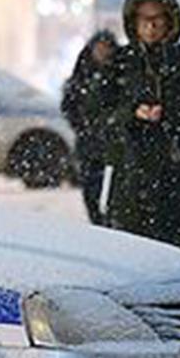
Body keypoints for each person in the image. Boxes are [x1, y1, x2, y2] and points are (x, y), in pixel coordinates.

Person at [99, 0, 180, 252]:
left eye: (158, 18)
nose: (151, 26)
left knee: (178, 260)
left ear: (171, 20)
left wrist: (171, 115)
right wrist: (131, 113)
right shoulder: (120, 63)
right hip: (130, 181)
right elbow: (98, 115)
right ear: (133, 22)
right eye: (144, 19)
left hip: (178, 178)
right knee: (130, 259)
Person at [60, 29, 117, 224]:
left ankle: (109, 220)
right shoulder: (81, 75)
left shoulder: (118, 75)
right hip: (88, 142)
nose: (102, 52)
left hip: (112, 141)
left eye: (106, 48)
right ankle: (97, 221)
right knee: (91, 188)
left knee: (114, 187)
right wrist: (82, 126)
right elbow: (68, 105)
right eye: (99, 48)